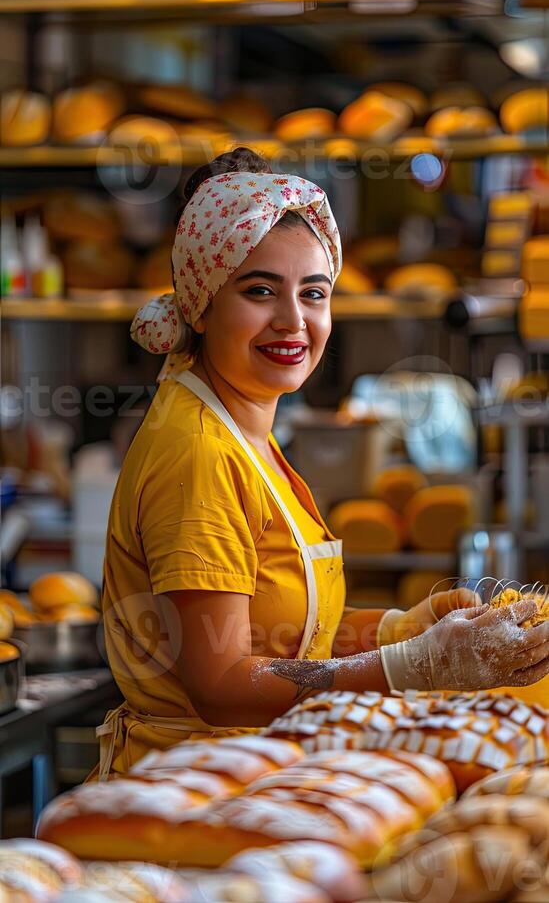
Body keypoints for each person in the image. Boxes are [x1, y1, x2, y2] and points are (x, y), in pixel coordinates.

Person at [96, 148, 549, 779]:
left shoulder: (243, 426)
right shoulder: (198, 453)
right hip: (185, 794)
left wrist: (398, 630)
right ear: (200, 303)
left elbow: (277, 635)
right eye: (259, 290)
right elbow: (222, 684)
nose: (293, 321)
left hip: (247, 776)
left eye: (314, 293)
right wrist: (411, 667)